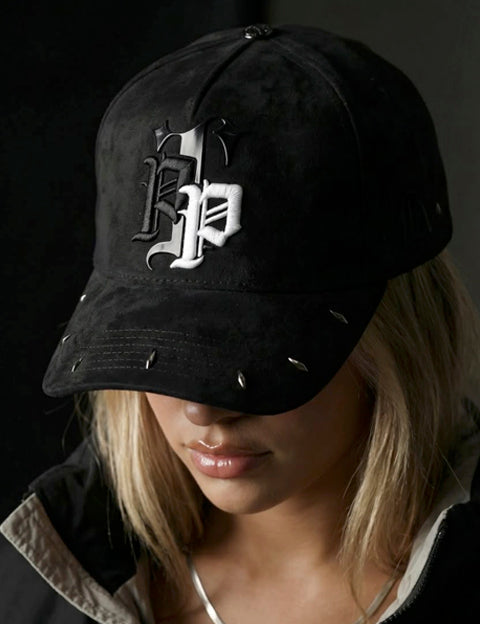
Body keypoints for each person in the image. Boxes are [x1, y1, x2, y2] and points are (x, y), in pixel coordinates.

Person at [1, 22, 479, 624]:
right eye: (157, 346)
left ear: (398, 335)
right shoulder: (35, 584)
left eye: (251, 350)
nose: (202, 411)